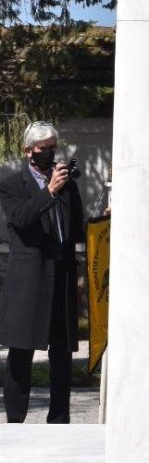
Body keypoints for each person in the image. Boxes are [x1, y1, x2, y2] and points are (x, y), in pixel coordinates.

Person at [0, 122, 84, 424]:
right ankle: (16, 422)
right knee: (21, 354)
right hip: (29, 280)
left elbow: (77, 228)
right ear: (28, 151)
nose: (49, 154)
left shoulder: (66, 185)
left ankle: (59, 419)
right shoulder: (12, 184)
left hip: (60, 277)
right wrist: (48, 191)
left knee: (61, 355)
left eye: (53, 148)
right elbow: (20, 219)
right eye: (42, 149)